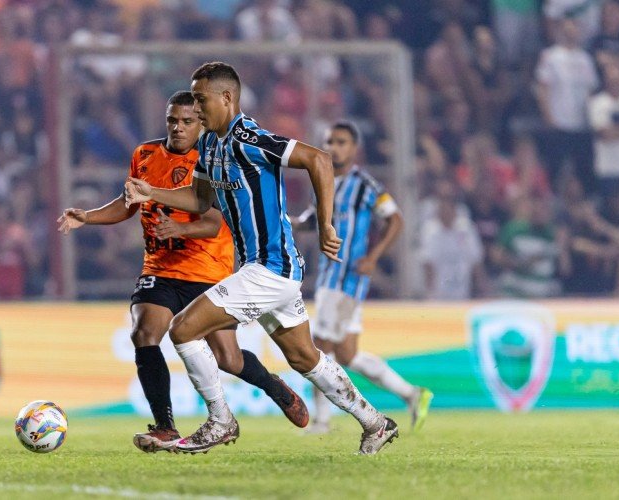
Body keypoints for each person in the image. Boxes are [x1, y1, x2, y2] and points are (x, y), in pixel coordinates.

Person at [125, 62, 398, 455]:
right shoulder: (211, 145)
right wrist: (150, 190)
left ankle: (220, 421)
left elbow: (318, 160)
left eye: (201, 100)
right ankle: (375, 423)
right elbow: (200, 200)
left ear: (226, 98)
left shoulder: (247, 137)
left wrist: (325, 224)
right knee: (305, 357)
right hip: (268, 270)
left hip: (270, 268)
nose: (197, 109)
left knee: (183, 329)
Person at [58, 91, 308, 453]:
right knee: (144, 331)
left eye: (187, 121)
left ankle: (274, 386)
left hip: (208, 269)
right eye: (172, 120)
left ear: (202, 123)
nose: (177, 127)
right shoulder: (144, 154)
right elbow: (129, 204)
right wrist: (89, 216)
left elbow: (213, 222)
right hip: (160, 269)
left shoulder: (214, 158)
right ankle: (164, 426)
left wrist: (180, 229)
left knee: (228, 358)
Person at [293, 122, 432, 434]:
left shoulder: (365, 184)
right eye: (330, 141)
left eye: (341, 142)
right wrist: (285, 222)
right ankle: (412, 394)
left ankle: (322, 421)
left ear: (354, 148)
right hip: (332, 275)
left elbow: (395, 219)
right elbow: (311, 220)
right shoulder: (324, 182)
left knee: (318, 349)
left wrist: (373, 256)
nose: (334, 147)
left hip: (345, 278)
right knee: (347, 354)